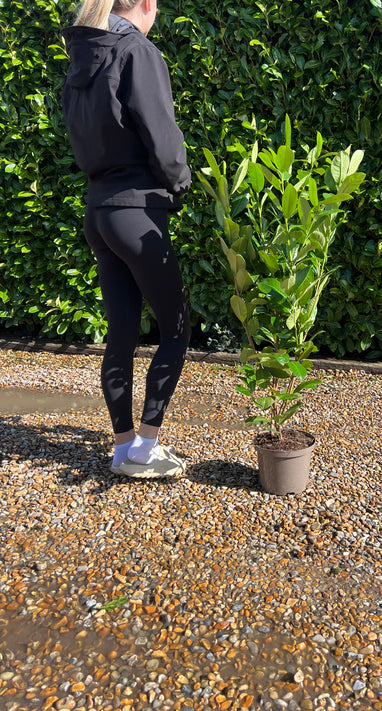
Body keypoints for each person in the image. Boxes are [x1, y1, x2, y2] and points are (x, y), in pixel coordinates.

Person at [61, 0, 192, 478]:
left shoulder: (81, 57)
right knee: (176, 327)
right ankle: (145, 447)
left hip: (98, 212)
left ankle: (122, 448)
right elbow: (163, 135)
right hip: (136, 212)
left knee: (121, 332)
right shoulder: (136, 50)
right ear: (147, 5)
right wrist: (179, 186)